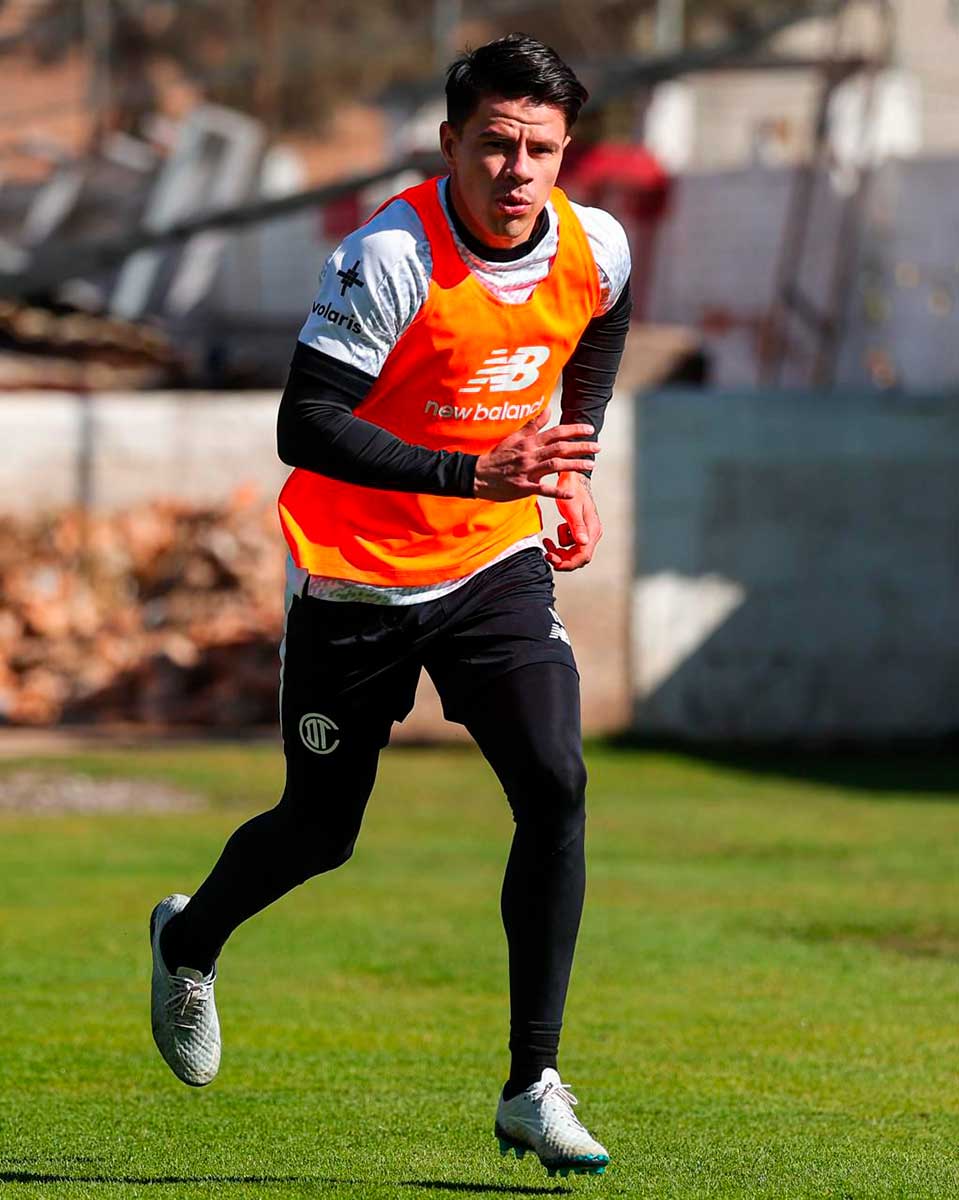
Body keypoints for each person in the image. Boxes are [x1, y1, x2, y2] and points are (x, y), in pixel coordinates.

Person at [150, 32, 631, 1179]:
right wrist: (477, 471)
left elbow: (600, 323)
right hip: (355, 576)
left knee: (556, 783)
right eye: (498, 145)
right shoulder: (389, 258)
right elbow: (303, 426)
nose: (519, 170)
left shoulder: (592, 244)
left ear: (566, 154)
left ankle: (531, 1083)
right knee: (320, 831)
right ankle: (190, 939)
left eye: (542, 150)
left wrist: (567, 469)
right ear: (450, 142)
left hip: (488, 567)